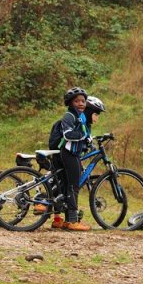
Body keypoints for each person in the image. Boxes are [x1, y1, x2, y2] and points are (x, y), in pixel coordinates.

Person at [49, 87, 91, 232]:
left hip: (73, 154)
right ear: (70, 103)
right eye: (77, 101)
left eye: (83, 101)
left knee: (67, 186)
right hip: (68, 154)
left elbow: (83, 132)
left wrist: (87, 139)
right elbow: (68, 135)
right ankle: (73, 221)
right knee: (73, 186)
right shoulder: (69, 116)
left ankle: (67, 220)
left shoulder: (81, 116)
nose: (81, 103)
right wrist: (84, 136)